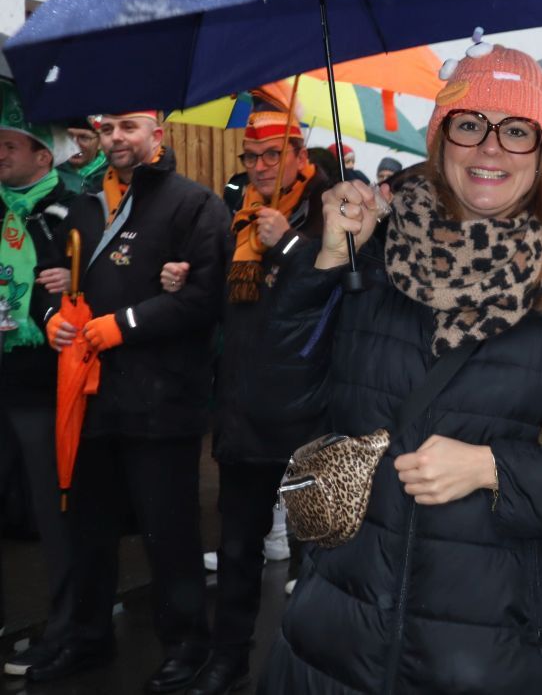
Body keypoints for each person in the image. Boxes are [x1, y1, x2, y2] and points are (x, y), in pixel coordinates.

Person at [256, 42, 542, 693]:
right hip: (341, 638)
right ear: (440, 137)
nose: (491, 148)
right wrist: (325, 263)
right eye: (470, 124)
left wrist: (494, 469)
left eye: (517, 130)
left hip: (499, 657)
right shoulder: (371, 253)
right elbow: (274, 405)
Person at [32, 111, 230, 691]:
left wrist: (124, 325)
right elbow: (46, 282)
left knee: (168, 536)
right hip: (90, 401)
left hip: (162, 402)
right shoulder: (80, 206)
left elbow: (206, 298)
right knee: (88, 534)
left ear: (156, 136)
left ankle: (187, 647)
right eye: (108, 128)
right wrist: (50, 320)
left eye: (129, 127)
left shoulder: (195, 205)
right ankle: (88, 640)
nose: (116, 138)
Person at [173, 92, 329, 695]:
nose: (259, 166)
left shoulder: (330, 211)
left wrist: (287, 243)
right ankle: (228, 659)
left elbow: (338, 288)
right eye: (251, 156)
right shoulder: (237, 215)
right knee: (238, 549)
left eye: (272, 154)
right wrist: (186, 277)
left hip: (307, 414)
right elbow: (220, 302)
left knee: (315, 555)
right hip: (242, 410)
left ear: (299, 155)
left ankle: (310, 667)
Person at [0, 84, 80, 679]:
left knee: (55, 512)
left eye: (10, 145)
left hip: (45, 383)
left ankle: (66, 626)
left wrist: (70, 287)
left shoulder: (74, 211)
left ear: (43, 155)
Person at [57, 117, 107, 194]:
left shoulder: (110, 173)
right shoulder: (50, 170)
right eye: (69, 136)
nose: (74, 144)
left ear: (100, 143)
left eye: (83, 137)